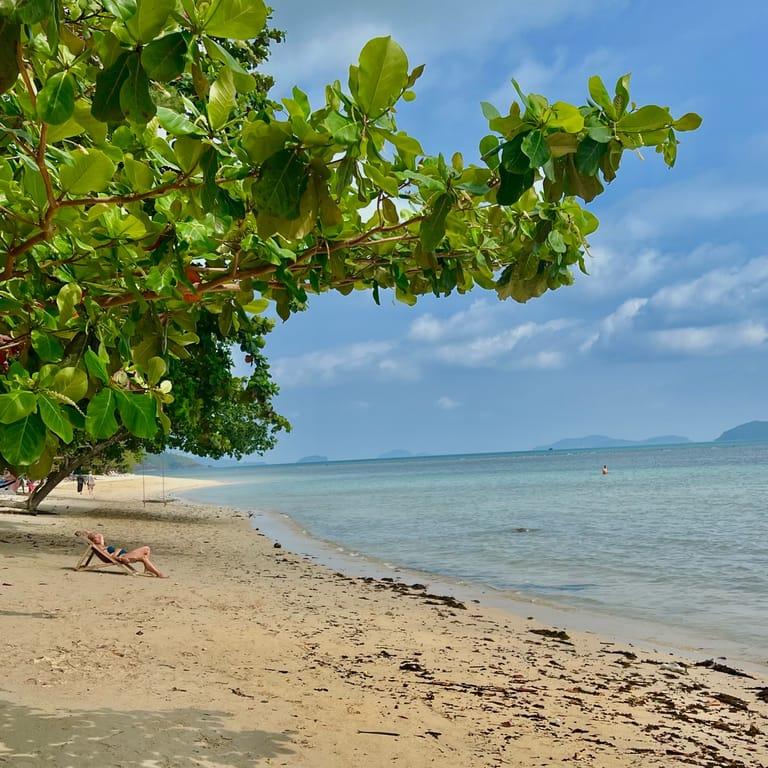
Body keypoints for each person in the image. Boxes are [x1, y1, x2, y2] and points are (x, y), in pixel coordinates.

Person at [75, 529, 168, 578]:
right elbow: (111, 556)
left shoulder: (101, 544)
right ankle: (158, 573)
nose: (98, 538)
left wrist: (88, 533)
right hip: (122, 556)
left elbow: (100, 535)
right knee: (144, 554)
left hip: (123, 554)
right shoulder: (98, 546)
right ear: (93, 540)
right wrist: (117, 552)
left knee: (146, 550)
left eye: (97, 537)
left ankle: (148, 569)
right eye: (95, 538)